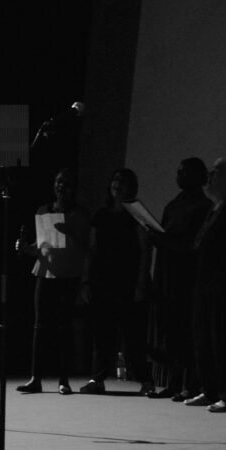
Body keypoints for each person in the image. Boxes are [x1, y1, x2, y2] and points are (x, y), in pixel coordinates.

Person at [182, 158, 226, 412]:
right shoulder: (214, 208)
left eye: (216, 173)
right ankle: (208, 388)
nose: (210, 177)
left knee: (221, 338)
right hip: (204, 281)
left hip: (222, 282)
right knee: (203, 336)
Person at [16, 168, 90, 395]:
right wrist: (24, 248)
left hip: (68, 274)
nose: (61, 186)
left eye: (66, 183)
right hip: (45, 272)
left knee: (64, 327)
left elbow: (87, 247)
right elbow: (41, 246)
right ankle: (35, 378)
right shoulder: (43, 211)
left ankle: (63, 380)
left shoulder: (80, 214)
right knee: (39, 326)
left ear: (73, 188)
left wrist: (70, 232)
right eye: (59, 181)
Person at [79, 169, 153, 394]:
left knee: (134, 336)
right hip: (103, 282)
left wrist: (141, 284)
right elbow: (91, 250)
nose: (117, 184)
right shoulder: (100, 215)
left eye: (123, 181)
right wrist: (85, 282)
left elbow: (145, 250)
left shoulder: (136, 214)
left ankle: (145, 381)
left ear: (131, 187)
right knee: (102, 334)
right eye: (115, 180)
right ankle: (98, 378)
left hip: (129, 282)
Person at [145, 158, 213, 400]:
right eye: (178, 171)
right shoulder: (175, 204)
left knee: (185, 331)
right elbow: (165, 235)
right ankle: (173, 382)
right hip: (166, 272)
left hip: (186, 276)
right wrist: (154, 236)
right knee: (170, 330)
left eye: (183, 172)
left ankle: (190, 384)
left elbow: (191, 244)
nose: (178, 176)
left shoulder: (203, 206)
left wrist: (161, 238)